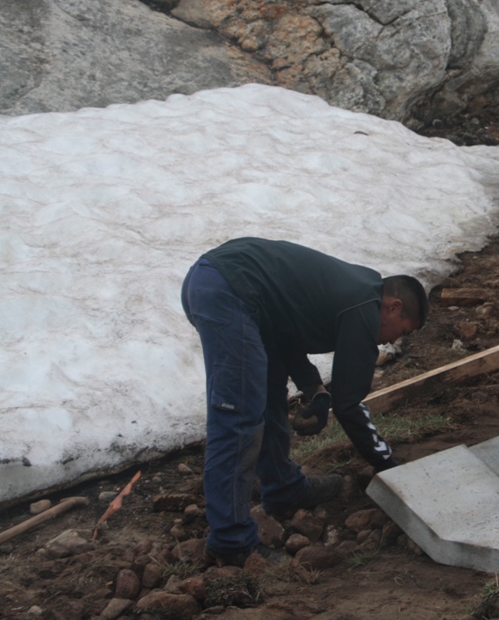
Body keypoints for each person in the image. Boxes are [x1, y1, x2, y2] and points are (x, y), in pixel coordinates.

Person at [180, 237, 428, 566]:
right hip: (228, 290)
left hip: (239, 291)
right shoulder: (364, 308)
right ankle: (231, 541)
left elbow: (286, 326)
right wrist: (387, 465)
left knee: (268, 394)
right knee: (239, 418)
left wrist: (314, 388)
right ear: (393, 306)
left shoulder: (357, 292)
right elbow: (350, 404)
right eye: (403, 331)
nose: (396, 339)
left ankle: (283, 490)